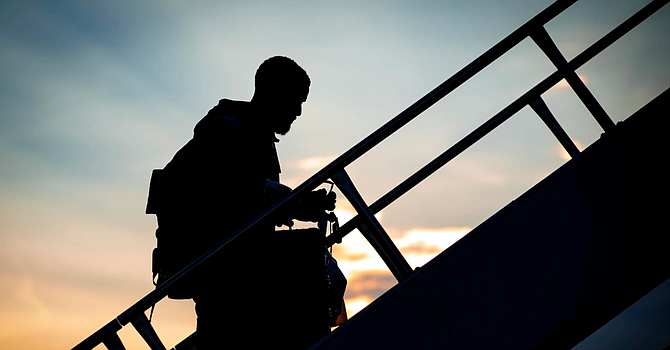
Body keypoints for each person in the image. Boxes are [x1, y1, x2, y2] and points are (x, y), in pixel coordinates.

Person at [155, 56, 336, 349]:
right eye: (295, 101)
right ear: (273, 93)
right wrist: (287, 203)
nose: (299, 112)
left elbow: (250, 199)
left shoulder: (255, 137)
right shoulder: (227, 131)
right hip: (223, 274)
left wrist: (295, 204)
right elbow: (218, 196)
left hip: (240, 273)